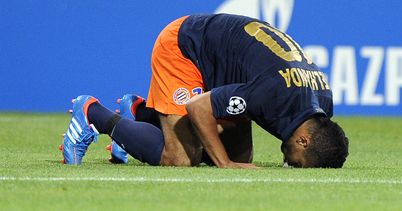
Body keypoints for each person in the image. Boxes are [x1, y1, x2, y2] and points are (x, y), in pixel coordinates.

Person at [59, 13, 349, 168]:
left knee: (238, 157)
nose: (290, 166)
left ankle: (140, 113)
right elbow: (199, 108)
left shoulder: (321, 103)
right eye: (298, 165)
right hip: (185, 47)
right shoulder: (275, 93)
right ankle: (93, 113)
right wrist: (224, 164)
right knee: (182, 159)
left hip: (223, 65)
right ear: (304, 142)